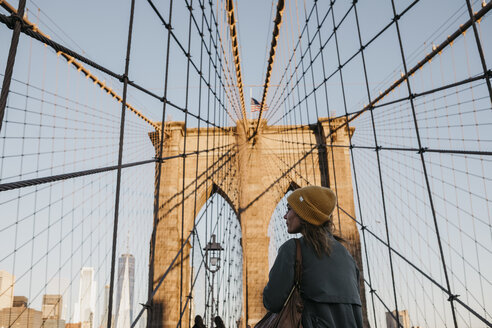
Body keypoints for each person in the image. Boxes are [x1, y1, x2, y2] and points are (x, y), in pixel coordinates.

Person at [263, 185, 363, 328]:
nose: (285, 216)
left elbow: (272, 301)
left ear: (304, 215)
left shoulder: (292, 248)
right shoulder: (348, 257)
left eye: (289, 209)